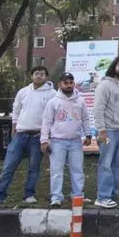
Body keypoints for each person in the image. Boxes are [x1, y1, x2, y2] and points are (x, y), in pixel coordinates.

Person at [0, 66, 54, 208]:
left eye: (42, 74)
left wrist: (47, 137)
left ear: (46, 77)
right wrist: (14, 130)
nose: (39, 76)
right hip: (20, 135)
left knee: (34, 168)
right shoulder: (23, 92)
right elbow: (15, 111)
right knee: (8, 166)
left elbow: (52, 117)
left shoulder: (52, 94)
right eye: (36, 73)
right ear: (31, 76)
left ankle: (29, 195)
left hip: (37, 136)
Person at [40, 73, 92, 207]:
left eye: (71, 83)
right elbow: (46, 122)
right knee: (56, 170)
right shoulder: (53, 102)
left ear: (74, 83)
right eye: (65, 83)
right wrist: (44, 140)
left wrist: (88, 134)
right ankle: (56, 197)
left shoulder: (80, 100)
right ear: (60, 84)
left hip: (75, 141)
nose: (68, 85)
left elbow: (85, 119)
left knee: (77, 169)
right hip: (57, 141)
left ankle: (78, 195)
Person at [93, 56, 119, 209]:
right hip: (108, 131)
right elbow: (98, 109)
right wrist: (101, 130)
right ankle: (102, 197)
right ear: (114, 67)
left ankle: (113, 192)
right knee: (106, 164)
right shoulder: (104, 85)